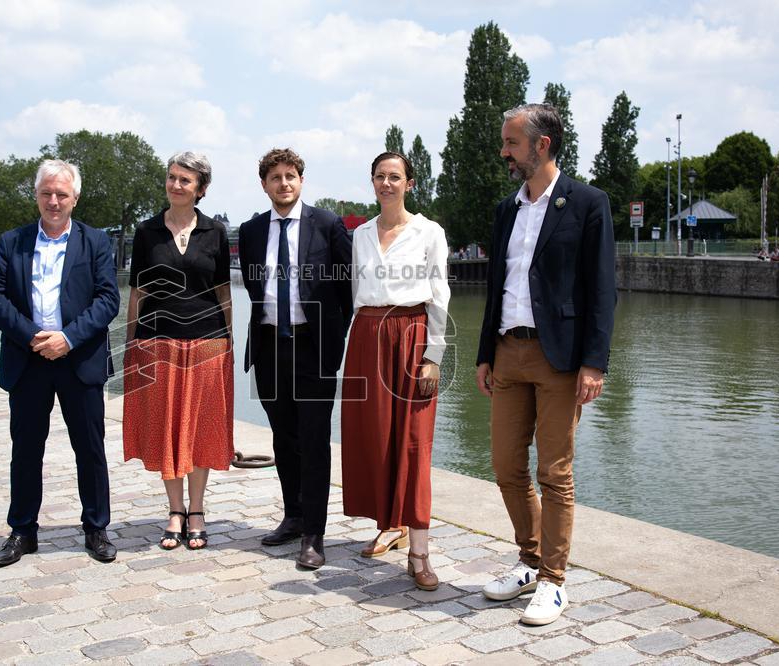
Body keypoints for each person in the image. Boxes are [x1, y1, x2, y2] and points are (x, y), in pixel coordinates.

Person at [476, 103, 616, 625]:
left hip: (560, 357)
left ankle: (554, 581)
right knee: (506, 467)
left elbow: (603, 290)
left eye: (511, 142)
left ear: (542, 145)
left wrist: (594, 363)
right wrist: (485, 353)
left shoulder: (588, 203)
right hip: (508, 352)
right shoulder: (505, 209)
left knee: (554, 473)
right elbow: (498, 286)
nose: (504, 152)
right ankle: (530, 562)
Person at [0, 159, 120, 567]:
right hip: (28, 359)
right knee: (25, 449)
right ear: (37, 196)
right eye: (47, 193)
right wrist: (32, 336)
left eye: (62, 193)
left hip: (78, 358)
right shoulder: (13, 241)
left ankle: (96, 528)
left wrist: (68, 337)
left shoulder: (95, 242)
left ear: (75, 197)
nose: (54, 201)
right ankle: (22, 531)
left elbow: (108, 299)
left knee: (90, 448)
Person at [238, 148, 353, 569]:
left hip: (313, 348)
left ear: (301, 180)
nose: (283, 183)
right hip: (268, 347)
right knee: (283, 437)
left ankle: (314, 534)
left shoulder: (327, 224)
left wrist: (332, 343)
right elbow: (253, 288)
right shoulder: (250, 231)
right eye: (275, 177)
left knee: (314, 439)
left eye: (290, 176)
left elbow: (348, 291)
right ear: (265, 185)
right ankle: (293, 515)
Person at [341, 152, 450, 591]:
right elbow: (355, 290)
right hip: (368, 336)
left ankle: (420, 552)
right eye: (380, 177)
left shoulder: (429, 232)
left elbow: (439, 292)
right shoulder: (361, 234)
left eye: (395, 177)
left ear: (409, 183)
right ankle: (391, 524)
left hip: (410, 334)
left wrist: (433, 355)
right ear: (372, 182)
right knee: (375, 438)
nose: (387, 183)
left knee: (413, 444)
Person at [123, 151, 233, 551]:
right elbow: (138, 290)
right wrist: (130, 343)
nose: (175, 185)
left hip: (207, 341)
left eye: (185, 180)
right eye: (171, 178)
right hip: (157, 342)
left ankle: (198, 510)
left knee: (202, 428)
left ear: (200, 188)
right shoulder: (146, 231)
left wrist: (230, 342)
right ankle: (174, 510)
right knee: (166, 427)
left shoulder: (215, 232)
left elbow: (224, 293)